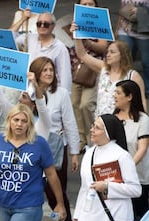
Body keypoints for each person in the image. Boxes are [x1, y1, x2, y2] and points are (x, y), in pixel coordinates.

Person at [0, 103, 67, 221]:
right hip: (5, 205)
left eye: (24, 121)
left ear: (29, 124)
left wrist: (60, 203)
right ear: (9, 121)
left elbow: (52, 175)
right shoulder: (0, 141)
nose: (19, 124)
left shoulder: (39, 143)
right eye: (16, 120)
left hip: (29, 207)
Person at [27, 56, 79, 221]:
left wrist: (74, 153)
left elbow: (70, 123)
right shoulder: (27, 93)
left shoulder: (61, 93)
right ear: (36, 73)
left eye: (51, 70)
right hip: (31, 148)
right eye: (45, 70)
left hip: (55, 149)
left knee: (56, 193)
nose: (49, 73)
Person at [73, 114, 141, 221]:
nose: (92, 130)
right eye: (93, 126)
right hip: (89, 218)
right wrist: (77, 217)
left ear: (108, 133)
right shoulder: (89, 153)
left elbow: (136, 190)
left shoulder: (122, 156)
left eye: (97, 128)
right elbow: (84, 188)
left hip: (113, 216)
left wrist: (107, 187)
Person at [71, 23, 147, 116]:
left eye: (112, 52)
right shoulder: (104, 68)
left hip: (122, 123)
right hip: (101, 122)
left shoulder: (133, 75)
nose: (108, 55)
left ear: (122, 55)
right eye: (107, 52)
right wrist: (77, 35)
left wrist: (142, 124)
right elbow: (82, 55)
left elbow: (142, 102)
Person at [66, 0, 110, 153]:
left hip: (95, 69)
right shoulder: (77, 21)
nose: (88, 6)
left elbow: (103, 46)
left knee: (86, 105)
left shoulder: (101, 21)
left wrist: (84, 39)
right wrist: (75, 32)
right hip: (77, 68)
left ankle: (93, 138)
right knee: (74, 104)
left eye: (91, 3)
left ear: (96, 6)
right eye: (84, 3)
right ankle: (81, 139)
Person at [113, 80, 149, 221]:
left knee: (139, 218)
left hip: (138, 177)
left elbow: (143, 148)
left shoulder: (143, 119)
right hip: (116, 180)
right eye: (114, 92)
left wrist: (127, 168)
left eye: (118, 93)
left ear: (129, 97)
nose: (114, 96)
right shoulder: (112, 119)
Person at [10, 11, 72, 92]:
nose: (42, 26)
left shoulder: (60, 48)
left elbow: (65, 77)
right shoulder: (29, 38)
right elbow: (9, 39)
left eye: (46, 24)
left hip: (49, 93)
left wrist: (64, 98)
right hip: (29, 91)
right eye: (39, 24)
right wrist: (22, 19)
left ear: (53, 26)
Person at [117, 0, 149, 99]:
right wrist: (116, 29)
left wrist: (139, 11)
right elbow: (121, 12)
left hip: (143, 33)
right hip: (125, 30)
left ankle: (147, 90)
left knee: (146, 62)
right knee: (125, 60)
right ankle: (125, 88)